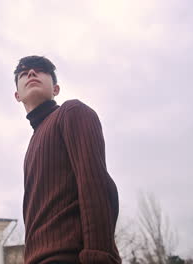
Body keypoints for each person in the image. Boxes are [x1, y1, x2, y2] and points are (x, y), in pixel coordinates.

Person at [14, 56, 121, 264]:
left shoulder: (71, 112)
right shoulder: (32, 145)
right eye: (23, 73)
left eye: (40, 70)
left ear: (56, 89)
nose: (31, 73)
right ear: (17, 95)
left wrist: (99, 257)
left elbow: (96, 186)